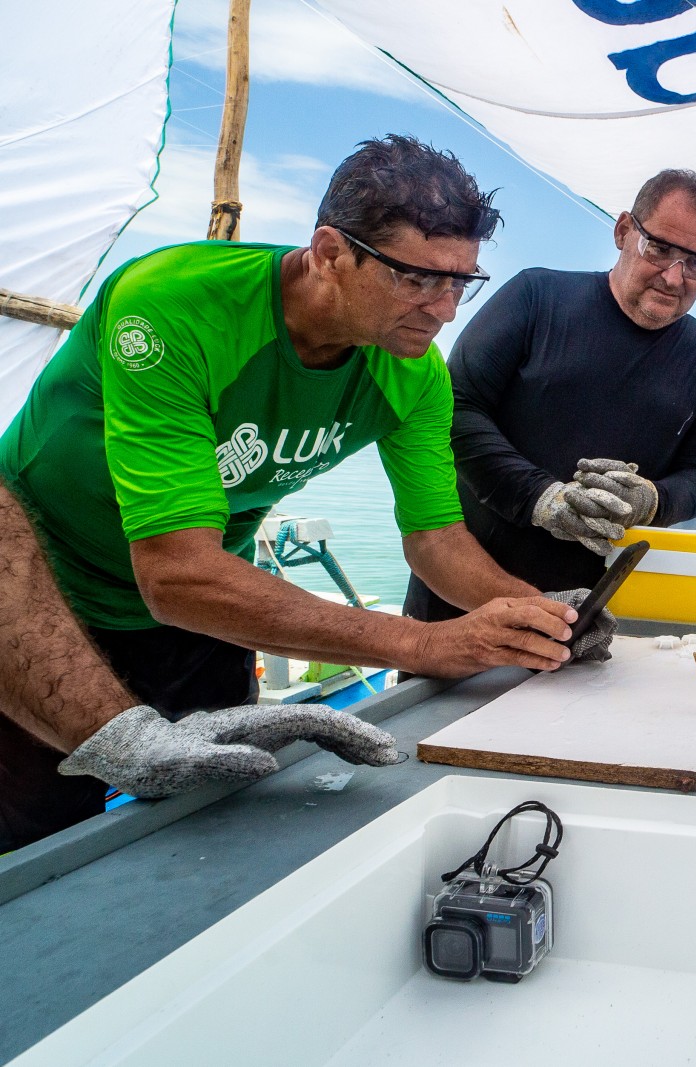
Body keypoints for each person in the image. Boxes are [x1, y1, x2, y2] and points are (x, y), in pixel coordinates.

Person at [0, 135, 607, 849]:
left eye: (460, 283)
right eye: (417, 279)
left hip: (209, 622)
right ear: (328, 251)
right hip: (43, 599)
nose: (445, 310)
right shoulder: (169, 305)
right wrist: (422, 642)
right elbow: (172, 572)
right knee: (34, 855)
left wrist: (530, 613)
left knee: (219, 833)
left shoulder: (414, 372)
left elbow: (436, 540)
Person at [1, 482, 404, 853]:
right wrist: (120, 739)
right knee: (39, 836)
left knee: (219, 798)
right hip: (51, 615)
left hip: (205, 618)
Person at [404, 169, 696, 620]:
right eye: (659, 249)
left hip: (602, 609)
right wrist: (542, 498)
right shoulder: (536, 296)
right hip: (469, 587)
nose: (674, 278)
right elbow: (456, 407)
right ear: (623, 231)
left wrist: (651, 501)